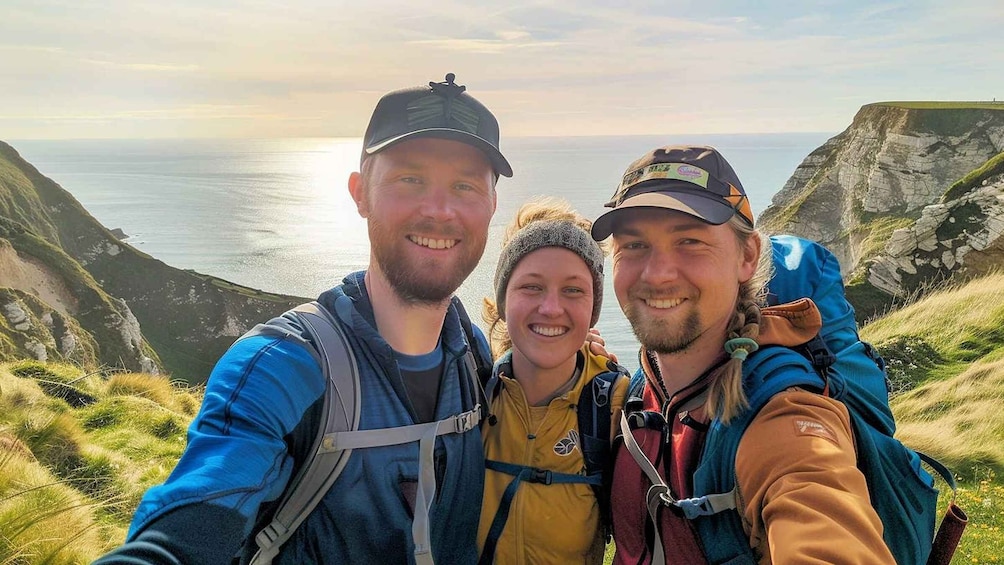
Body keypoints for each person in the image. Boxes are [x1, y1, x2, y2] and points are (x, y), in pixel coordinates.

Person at [95, 73, 512, 564]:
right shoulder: (282, 365)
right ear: (360, 193)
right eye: (410, 179)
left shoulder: (472, 353)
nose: (440, 210)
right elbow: (188, 531)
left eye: (464, 185)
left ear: (491, 207)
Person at [591, 145, 895, 564]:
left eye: (690, 242)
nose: (657, 274)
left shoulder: (781, 414)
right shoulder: (643, 391)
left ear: (747, 256)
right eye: (634, 245)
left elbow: (818, 503)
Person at [477, 198, 629, 564]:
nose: (550, 308)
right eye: (531, 287)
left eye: (573, 290)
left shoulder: (616, 408)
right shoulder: (471, 392)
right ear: (503, 299)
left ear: (592, 308)